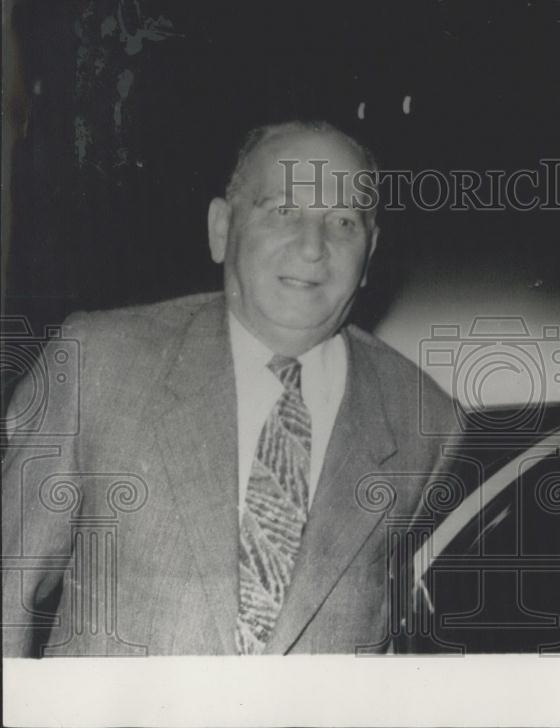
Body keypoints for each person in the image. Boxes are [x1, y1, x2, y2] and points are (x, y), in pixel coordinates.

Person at [2, 120, 455, 655]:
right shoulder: (97, 364)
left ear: (370, 253)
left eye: (343, 222)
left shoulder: (425, 420)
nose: (314, 247)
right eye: (283, 211)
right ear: (221, 229)